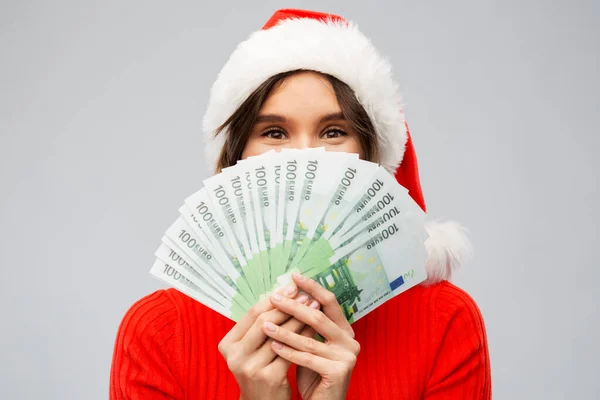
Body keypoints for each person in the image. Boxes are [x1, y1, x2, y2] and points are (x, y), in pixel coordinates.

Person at [110, 9, 491, 400]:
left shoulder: (445, 321)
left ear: (371, 157)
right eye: (274, 132)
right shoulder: (157, 331)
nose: (305, 158)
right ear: (234, 159)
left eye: (334, 131)